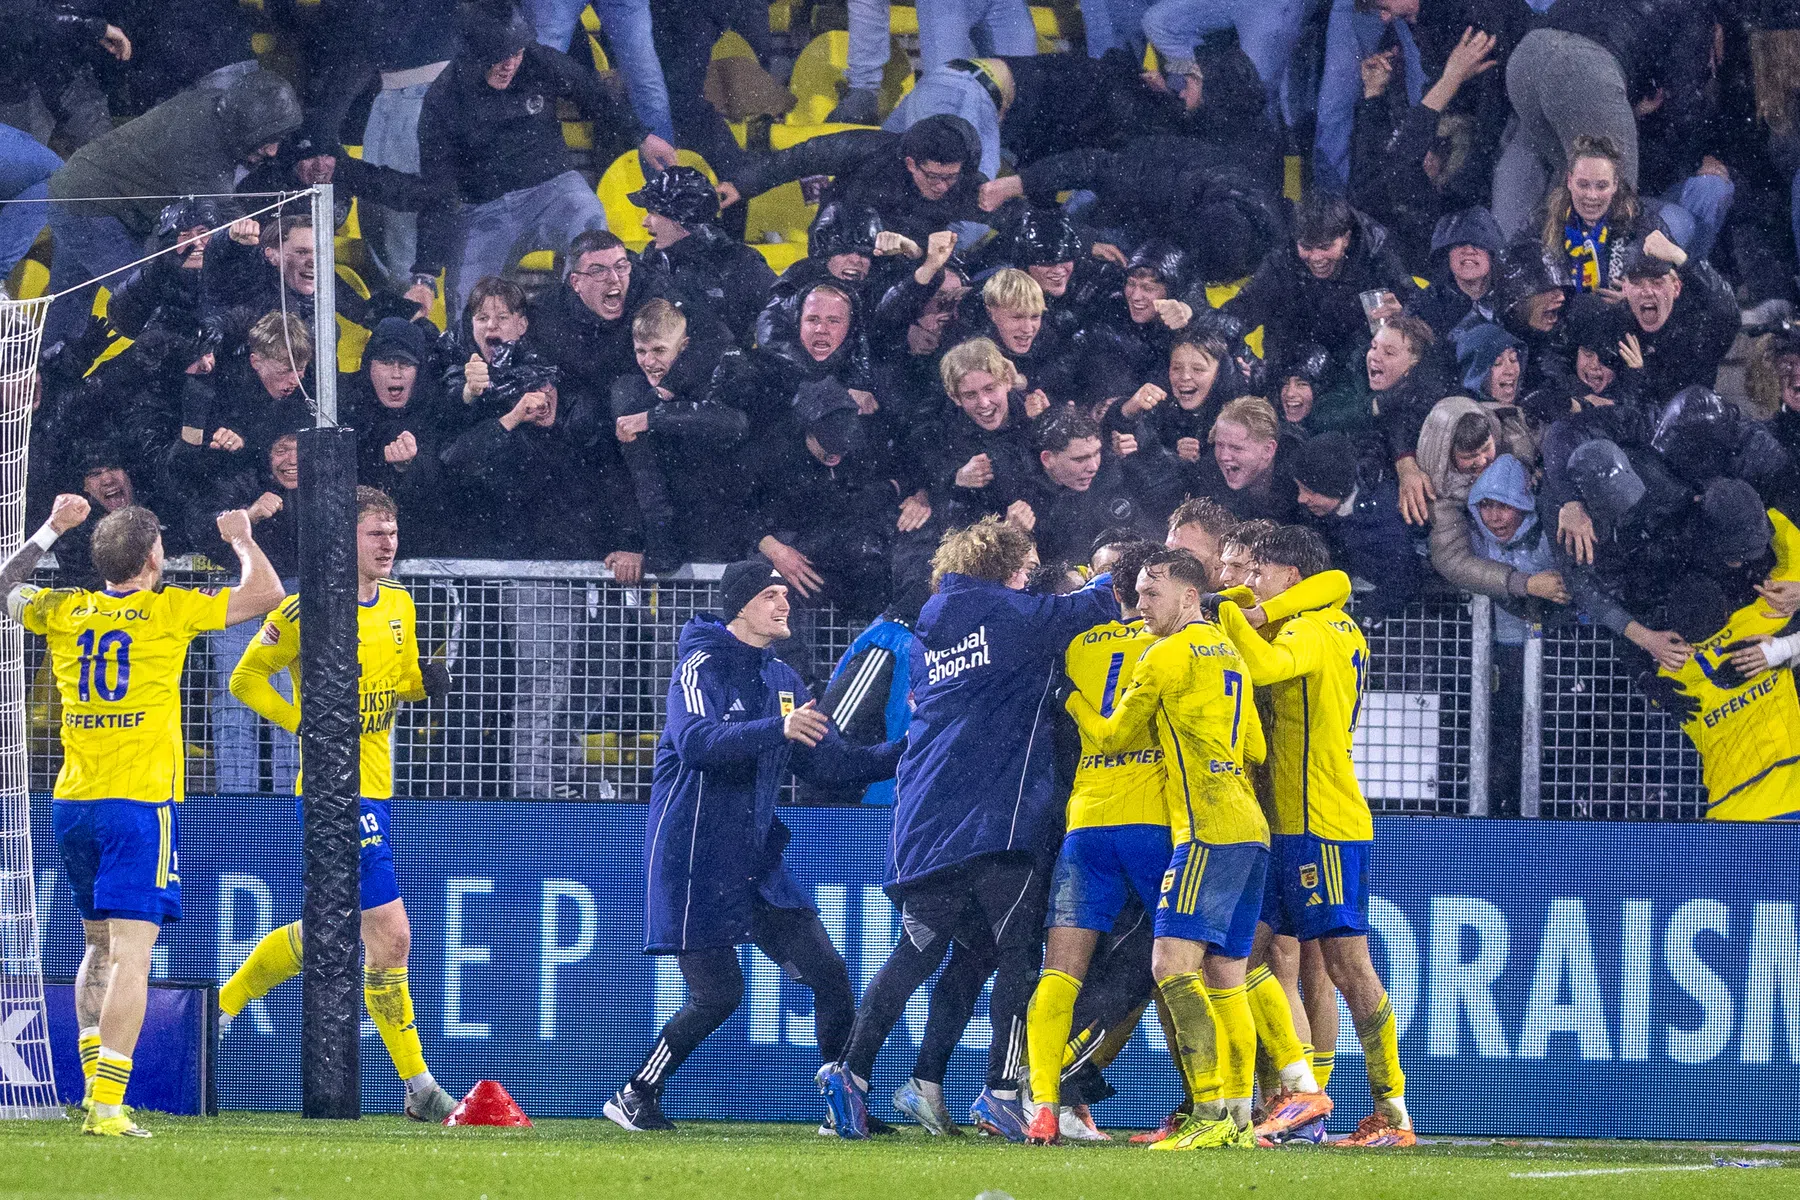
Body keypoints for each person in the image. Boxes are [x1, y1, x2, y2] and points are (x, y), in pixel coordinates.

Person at [818, 516, 1118, 1140]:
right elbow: (1100, 600)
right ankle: (1002, 1091)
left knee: (923, 951)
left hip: (926, 818)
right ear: (1009, 568)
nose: (1032, 577)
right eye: (1029, 566)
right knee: (1018, 955)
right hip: (994, 818)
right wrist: (1141, 563)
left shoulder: (933, 630)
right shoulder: (1013, 616)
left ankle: (852, 1073)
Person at [5, 498, 283, 1136]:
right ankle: (107, 1106)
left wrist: (53, 527)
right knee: (134, 954)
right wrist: (240, 537)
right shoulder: (169, 611)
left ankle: (89, 1086)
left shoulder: (65, 610)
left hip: (72, 802)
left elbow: (2, 586)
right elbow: (265, 592)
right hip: (139, 805)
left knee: (97, 943)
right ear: (154, 557)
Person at [607, 560, 900, 1132]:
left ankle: (845, 1110)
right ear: (741, 605)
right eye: (770, 594)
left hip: (756, 863)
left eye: (785, 594)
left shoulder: (782, 680)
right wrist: (776, 731)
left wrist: (913, 744)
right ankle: (635, 1095)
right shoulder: (700, 663)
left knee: (831, 975)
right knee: (719, 995)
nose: (784, 604)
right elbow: (694, 742)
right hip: (694, 858)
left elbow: (832, 765)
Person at [215, 488, 457, 1121]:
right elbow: (244, 679)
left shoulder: (400, 606)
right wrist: (308, 724)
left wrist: (422, 681)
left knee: (347, 934)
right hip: (332, 791)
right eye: (375, 534)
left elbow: (399, 683)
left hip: (378, 784)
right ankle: (421, 1087)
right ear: (344, 540)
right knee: (394, 937)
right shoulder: (305, 611)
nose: (388, 545)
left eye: (393, 533)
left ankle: (225, 1004)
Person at [1215, 526, 1416, 1147]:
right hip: (1289, 820)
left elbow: (1264, 663)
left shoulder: (1311, 629)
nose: (1250, 584)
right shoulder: (1334, 621)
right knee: (1252, 950)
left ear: (1290, 578)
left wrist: (1231, 614)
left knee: (1345, 965)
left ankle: (1391, 1110)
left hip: (1320, 821)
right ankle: (1299, 1095)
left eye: (1261, 572)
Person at [1062, 549, 1267, 1150]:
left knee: (1169, 966)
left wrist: (1073, 696)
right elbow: (1253, 744)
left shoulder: (1166, 653)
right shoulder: (1229, 652)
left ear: (1187, 596)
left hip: (1203, 827)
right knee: (1227, 976)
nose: (1140, 604)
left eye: (1152, 594)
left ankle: (1206, 1112)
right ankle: (1237, 1116)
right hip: (1248, 827)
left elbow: (1110, 734)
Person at [1021, 540, 1168, 1145]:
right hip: (1155, 822)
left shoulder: (1078, 647)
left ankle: (1044, 1105)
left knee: (1060, 971)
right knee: (1173, 965)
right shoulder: (1175, 647)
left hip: (1085, 821)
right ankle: (1214, 1106)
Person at [415, 0, 677, 316]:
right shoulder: (443, 100)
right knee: (466, 310)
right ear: (472, 55)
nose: (510, 64)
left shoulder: (536, 60)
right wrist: (425, 273)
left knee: (590, 224)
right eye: (499, 57)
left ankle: (585, 324)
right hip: (484, 211)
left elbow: (592, 93)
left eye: (516, 53)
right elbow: (436, 191)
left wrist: (641, 136)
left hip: (554, 191)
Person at [43, 68, 306, 344]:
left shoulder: (218, 111)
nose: (273, 151)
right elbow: (228, 222)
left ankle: (48, 378)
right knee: (152, 306)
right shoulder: (202, 147)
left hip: (78, 193)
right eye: (267, 140)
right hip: (93, 211)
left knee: (67, 314)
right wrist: (270, 253)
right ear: (247, 125)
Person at [1660, 511, 1800, 821]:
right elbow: (1793, 549)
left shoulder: (1670, 670)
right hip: (1789, 792)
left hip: (1725, 812)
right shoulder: (1760, 618)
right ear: (1727, 608)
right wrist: (1756, 512)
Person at [630, 166, 775, 343]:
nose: (645, 223)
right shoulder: (649, 260)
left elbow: (783, 319)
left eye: (653, 213)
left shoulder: (741, 264)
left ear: (680, 218)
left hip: (724, 368)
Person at [1290, 431, 1421, 626]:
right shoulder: (1320, 515)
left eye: (1310, 491)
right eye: (1299, 489)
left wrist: (1362, 615)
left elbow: (1405, 574)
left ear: (1335, 489)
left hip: (1410, 619)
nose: (1301, 498)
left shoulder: (1385, 513)